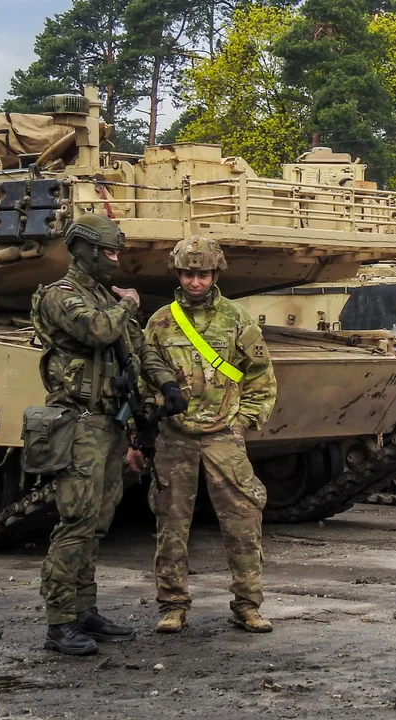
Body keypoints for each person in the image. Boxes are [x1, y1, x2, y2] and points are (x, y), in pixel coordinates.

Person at [30, 213, 183, 655]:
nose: (116, 259)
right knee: (76, 521)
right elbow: (99, 331)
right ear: (85, 250)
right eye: (109, 251)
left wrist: (166, 383)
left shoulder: (104, 296)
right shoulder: (62, 296)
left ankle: (84, 611)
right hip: (78, 423)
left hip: (110, 423)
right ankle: (60, 623)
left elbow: (136, 353)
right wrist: (129, 303)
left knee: (97, 522)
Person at [138, 236, 277, 633]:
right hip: (175, 436)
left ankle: (248, 604)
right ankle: (173, 605)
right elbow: (145, 375)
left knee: (243, 520)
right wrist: (154, 412)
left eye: (202, 274)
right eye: (187, 274)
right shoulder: (161, 322)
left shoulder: (237, 320)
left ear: (215, 273)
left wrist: (243, 421)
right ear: (177, 274)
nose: (194, 282)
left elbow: (261, 378)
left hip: (223, 435)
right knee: (171, 523)